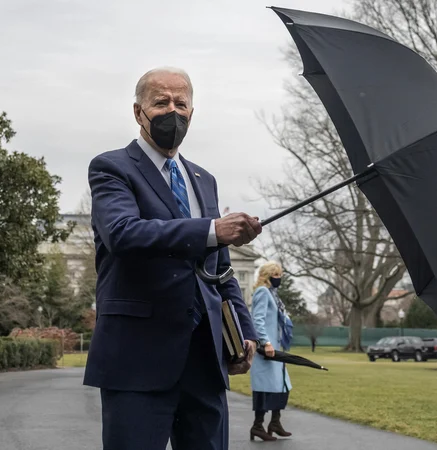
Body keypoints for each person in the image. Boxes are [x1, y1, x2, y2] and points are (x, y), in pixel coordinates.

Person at [84, 66, 263, 450]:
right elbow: (123, 233)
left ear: (192, 113)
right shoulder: (112, 167)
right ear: (138, 112)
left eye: (181, 103)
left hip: (204, 360)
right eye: (161, 102)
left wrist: (246, 332)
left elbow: (222, 269)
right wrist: (211, 230)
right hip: (137, 359)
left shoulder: (204, 179)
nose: (172, 112)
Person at [249, 261, 293, 441]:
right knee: (264, 388)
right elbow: (257, 319)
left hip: (275, 348)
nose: (279, 278)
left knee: (283, 386)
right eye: (275, 275)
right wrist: (265, 342)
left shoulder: (274, 295)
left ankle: (275, 422)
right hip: (266, 349)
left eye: (280, 275)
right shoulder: (262, 292)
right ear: (267, 276)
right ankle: (257, 425)